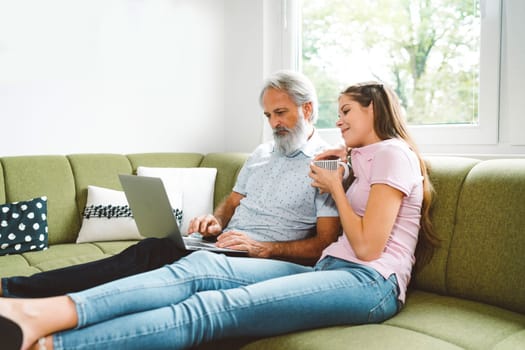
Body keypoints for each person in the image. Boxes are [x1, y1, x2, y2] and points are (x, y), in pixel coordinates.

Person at [0, 81, 439, 350]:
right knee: (198, 265)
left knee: (216, 307)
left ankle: (57, 343)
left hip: (369, 282)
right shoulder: (356, 157)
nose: (338, 120)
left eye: (346, 111)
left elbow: (367, 246)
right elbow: (237, 204)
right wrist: (341, 164)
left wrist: (332, 189)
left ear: (374, 110)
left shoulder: (394, 156)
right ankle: (39, 312)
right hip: (331, 267)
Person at [0, 70, 341, 298]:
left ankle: (21, 296)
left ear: (307, 109)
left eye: (281, 113)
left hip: (259, 259)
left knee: (148, 268)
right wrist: (216, 220)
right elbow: (234, 201)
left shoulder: (326, 163)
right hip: (221, 245)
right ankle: (19, 291)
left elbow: (324, 244)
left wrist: (265, 248)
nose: (274, 123)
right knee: (146, 251)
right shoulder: (262, 152)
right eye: (268, 116)